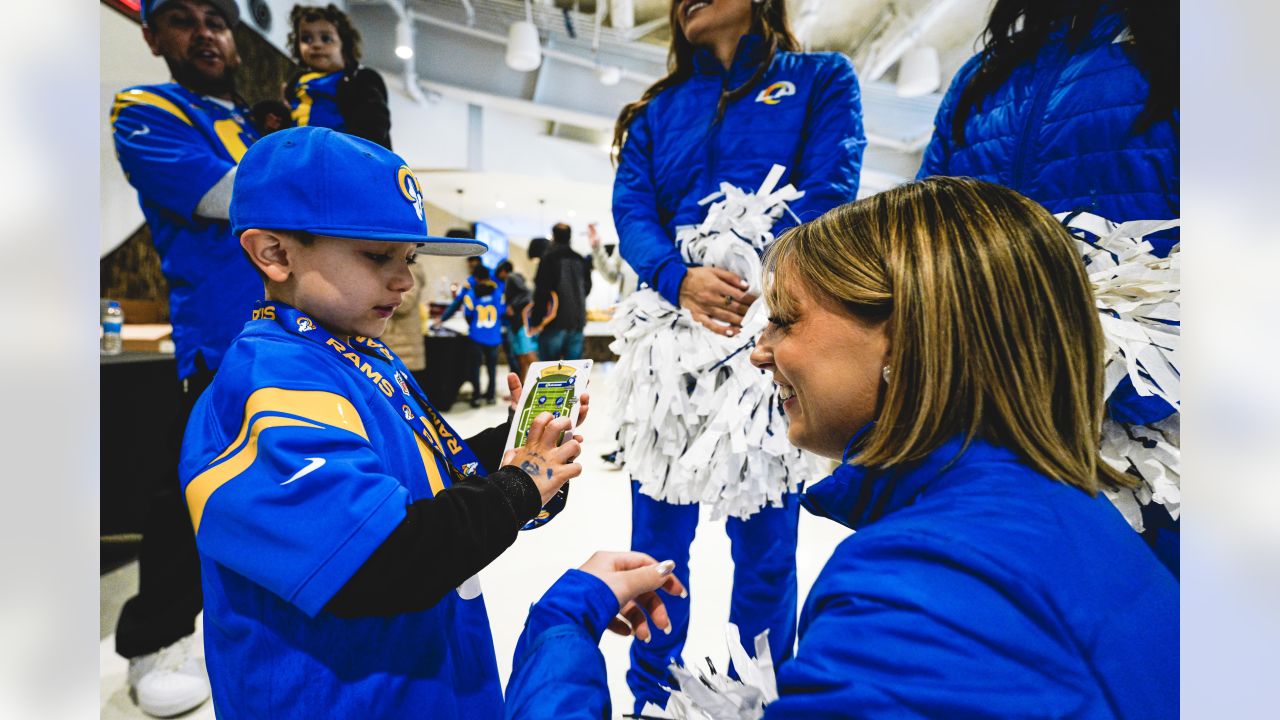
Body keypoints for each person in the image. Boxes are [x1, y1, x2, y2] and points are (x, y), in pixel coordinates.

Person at [503, 177, 1179, 719]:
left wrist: (562, 623)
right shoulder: (1065, 519)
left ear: (913, 336)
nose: (759, 352)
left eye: (786, 321)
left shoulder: (920, 591)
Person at [180, 126, 584, 719]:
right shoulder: (274, 381)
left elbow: (409, 484)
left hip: (422, 681)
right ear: (274, 252)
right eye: (376, 256)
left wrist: (518, 451)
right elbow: (379, 560)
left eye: (409, 258)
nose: (406, 280)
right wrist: (517, 486)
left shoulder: (352, 348)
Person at [608, 0, 864, 710]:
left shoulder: (821, 79)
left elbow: (830, 188)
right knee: (657, 548)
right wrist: (677, 276)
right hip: (668, 347)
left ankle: (760, 698)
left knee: (766, 552)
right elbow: (632, 209)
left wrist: (762, 274)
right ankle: (652, 698)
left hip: (768, 330)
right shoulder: (656, 111)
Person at [916, 0, 1180, 575]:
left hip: (1153, 447)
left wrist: (1120, 381)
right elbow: (921, 243)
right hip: (990, 422)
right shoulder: (982, 79)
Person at [109, 0, 262, 713]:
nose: (204, 32)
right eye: (181, 18)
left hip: (293, 336)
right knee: (189, 496)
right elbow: (220, 196)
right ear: (151, 36)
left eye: (218, 18)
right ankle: (154, 641)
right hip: (220, 338)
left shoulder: (259, 125)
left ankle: (242, 627)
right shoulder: (147, 110)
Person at [285, 4, 392, 149]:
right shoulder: (297, 81)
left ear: (344, 43)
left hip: (341, 157)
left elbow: (374, 125)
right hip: (298, 156)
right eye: (306, 39)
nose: (316, 44)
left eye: (326, 38)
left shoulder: (360, 78)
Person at [441, 266, 504, 407]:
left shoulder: (471, 294)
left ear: (475, 278)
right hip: (494, 336)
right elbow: (501, 311)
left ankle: (476, 396)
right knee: (491, 368)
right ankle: (491, 396)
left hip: (476, 336)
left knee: (475, 367)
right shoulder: (498, 292)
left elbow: (468, 314)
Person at [529, 222, 592, 361]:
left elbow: (542, 292)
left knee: (549, 369)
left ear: (553, 237)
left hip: (554, 322)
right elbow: (587, 288)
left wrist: (536, 320)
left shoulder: (549, 258)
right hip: (577, 321)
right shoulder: (580, 259)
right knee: (573, 371)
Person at [380, 258, 429, 388]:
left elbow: (405, 304)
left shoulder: (411, 271)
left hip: (405, 346)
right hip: (394, 344)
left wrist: (378, 295)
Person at [495, 259, 538, 381]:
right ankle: (522, 387)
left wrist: (512, 306)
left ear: (503, 271)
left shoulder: (511, 277)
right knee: (521, 358)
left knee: (528, 354)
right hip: (517, 323)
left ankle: (545, 385)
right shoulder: (511, 280)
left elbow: (527, 294)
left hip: (521, 323)